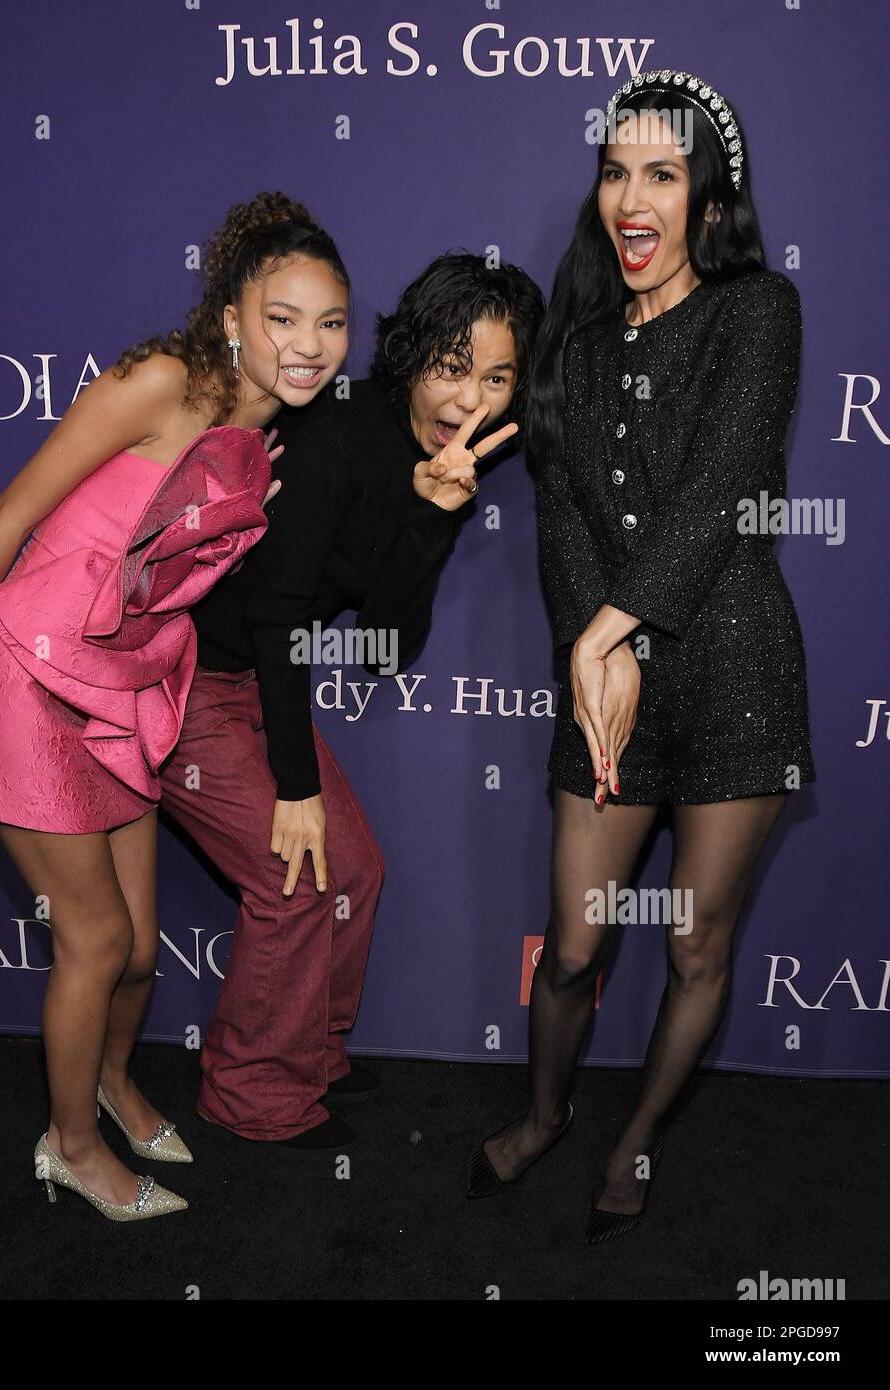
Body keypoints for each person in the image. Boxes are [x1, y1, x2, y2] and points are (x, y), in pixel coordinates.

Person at [0, 191, 350, 1219]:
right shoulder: (160, 383)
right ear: (232, 314)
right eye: (283, 317)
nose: (307, 345)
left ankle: (113, 1081)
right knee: (94, 942)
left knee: (136, 944)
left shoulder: (267, 440)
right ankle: (71, 1145)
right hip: (25, 679)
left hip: (124, 690)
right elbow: (13, 510)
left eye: (329, 322)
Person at [465, 70, 815, 1243]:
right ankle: (547, 1111)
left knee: (692, 940)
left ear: (706, 205)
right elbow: (558, 513)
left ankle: (635, 1141)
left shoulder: (758, 310)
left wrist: (610, 628)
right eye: (614, 170)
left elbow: (720, 488)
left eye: (659, 174)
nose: (630, 194)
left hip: (735, 672)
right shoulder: (567, 344)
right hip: (603, 675)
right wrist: (590, 646)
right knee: (569, 946)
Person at [157, 251, 544, 1150]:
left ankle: (306, 1052)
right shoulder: (337, 433)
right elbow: (276, 613)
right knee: (296, 878)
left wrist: (434, 514)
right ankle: (252, 1095)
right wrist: (295, 789)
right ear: (411, 357)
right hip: (177, 678)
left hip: (253, 678)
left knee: (352, 869)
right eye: (451, 367)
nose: (468, 399)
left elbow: (385, 647)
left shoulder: (447, 458)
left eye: (495, 377)